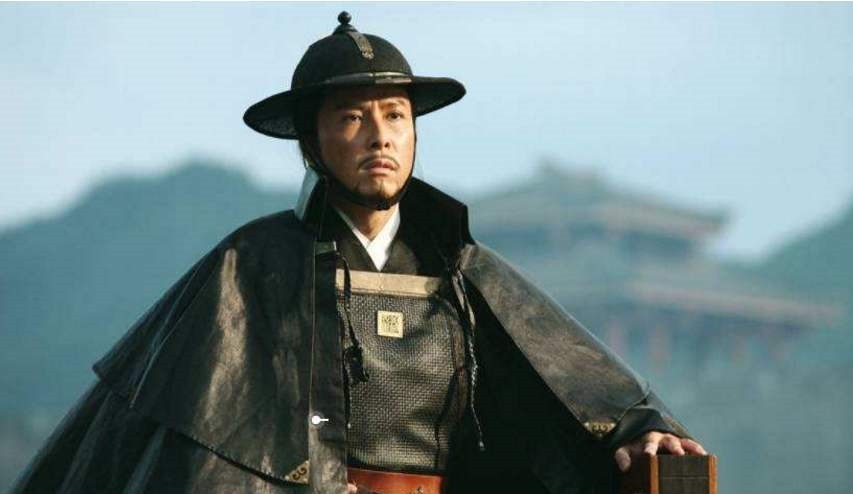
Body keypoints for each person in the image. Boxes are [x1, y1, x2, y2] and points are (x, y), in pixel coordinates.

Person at [12, 11, 706, 494]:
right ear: (311, 143)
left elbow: (573, 387)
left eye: (396, 116)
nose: (380, 137)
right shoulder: (251, 268)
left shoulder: (461, 272)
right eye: (352, 117)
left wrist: (641, 428)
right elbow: (185, 437)